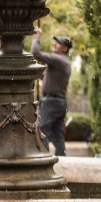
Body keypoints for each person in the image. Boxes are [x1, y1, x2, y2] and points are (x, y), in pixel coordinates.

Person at [31, 26, 73, 156]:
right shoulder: (62, 62)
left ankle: (44, 159)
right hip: (59, 102)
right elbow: (45, 76)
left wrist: (37, 37)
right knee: (57, 134)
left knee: (41, 131)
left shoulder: (58, 60)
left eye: (58, 43)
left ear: (65, 49)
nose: (54, 44)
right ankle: (63, 160)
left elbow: (36, 53)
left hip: (52, 102)